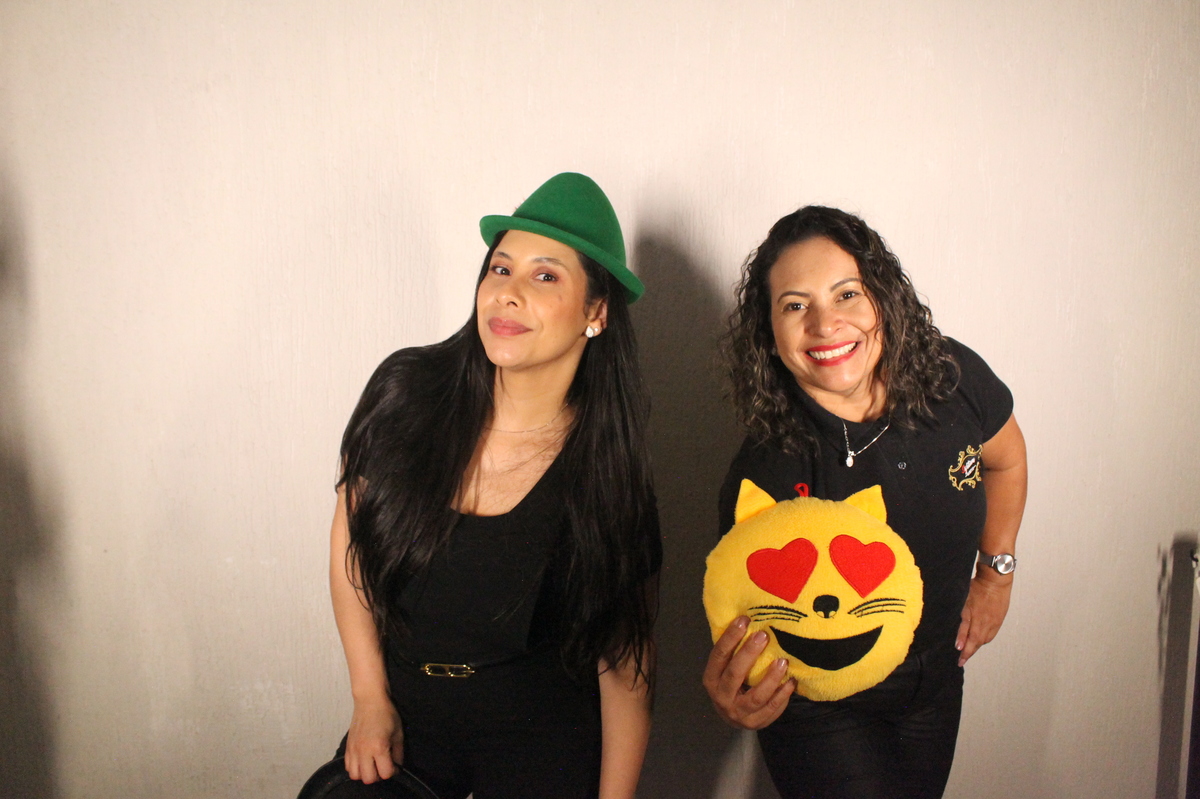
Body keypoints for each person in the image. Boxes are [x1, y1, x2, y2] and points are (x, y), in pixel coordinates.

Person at [328, 173, 661, 799]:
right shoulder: (406, 393)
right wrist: (368, 698)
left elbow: (626, 675)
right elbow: (352, 552)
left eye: (545, 276)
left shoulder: (608, 474)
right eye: (500, 269)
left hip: (543, 744)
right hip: (405, 729)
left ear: (596, 312)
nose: (507, 293)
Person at [702, 206, 1027, 799]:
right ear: (769, 335)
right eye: (794, 305)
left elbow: (1006, 461)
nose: (825, 325)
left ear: (883, 298)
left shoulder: (951, 376)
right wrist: (734, 694)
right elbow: (743, 620)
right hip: (821, 706)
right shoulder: (766, 473)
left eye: (846, 294)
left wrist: (995, 576)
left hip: (938, 680)